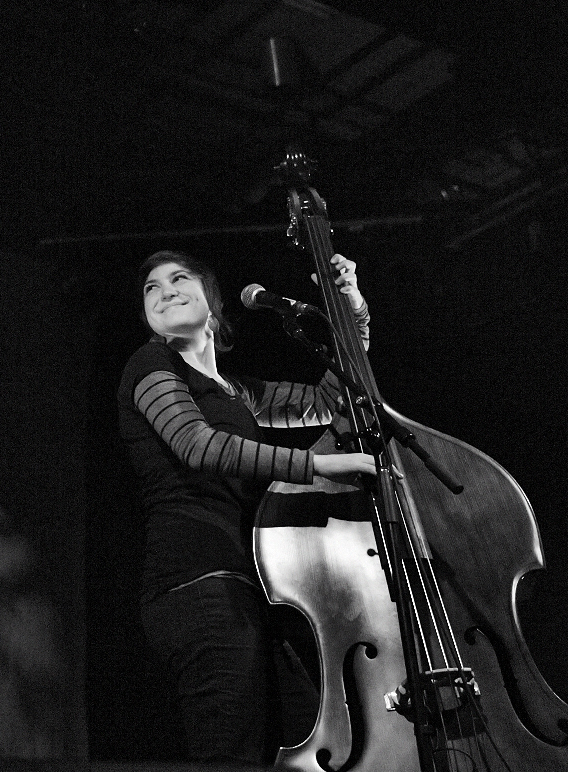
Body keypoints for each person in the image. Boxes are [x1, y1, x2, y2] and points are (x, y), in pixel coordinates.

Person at [116, 249, 376, 767]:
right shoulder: (151, 365)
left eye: (179, 278)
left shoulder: (236, 392)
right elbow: (198, 445)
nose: (163, 290)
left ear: (211, 305)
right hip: (193, 582)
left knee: (302, 742)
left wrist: (353, 312)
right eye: (151, 288)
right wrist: (316, 466)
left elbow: (332, 399)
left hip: (243, 586)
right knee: (229, 752)